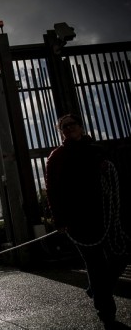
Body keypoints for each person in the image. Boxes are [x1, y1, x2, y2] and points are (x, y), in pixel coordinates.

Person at [45, 113, 128, 330]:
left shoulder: (98, 151)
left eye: (72, 124)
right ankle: (106, 313)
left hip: (105, 216)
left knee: (121, 257)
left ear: (81, 127)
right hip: (78, 221)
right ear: (61, 132)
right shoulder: (57, 157)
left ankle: (97, 289)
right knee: (96, 264)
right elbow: (52, 191)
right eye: (64, 127)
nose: (69, 128)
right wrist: (59, 220)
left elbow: (116, 177)